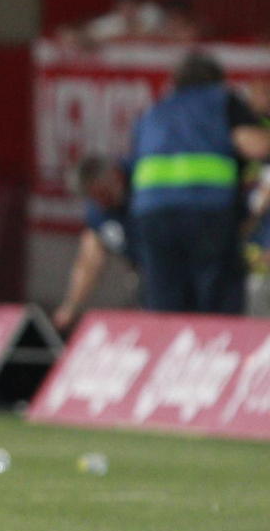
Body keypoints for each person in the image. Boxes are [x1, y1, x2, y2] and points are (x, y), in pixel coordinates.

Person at [126, 53, 270, 315]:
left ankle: (170, 350)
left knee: (166, 299)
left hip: (151, 214)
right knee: (216, 297)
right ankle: (213, 350)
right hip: (205, 209)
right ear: (217, 80)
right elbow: (256, 146)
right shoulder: (222, 101)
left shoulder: (152, 113)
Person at [51, 157, 135, 333]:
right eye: (91, 196)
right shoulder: (97, 213)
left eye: (100, 193)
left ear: (112, 176)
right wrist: (70, 306)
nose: (98, 201)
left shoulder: (142, 179)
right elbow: (89, 261)